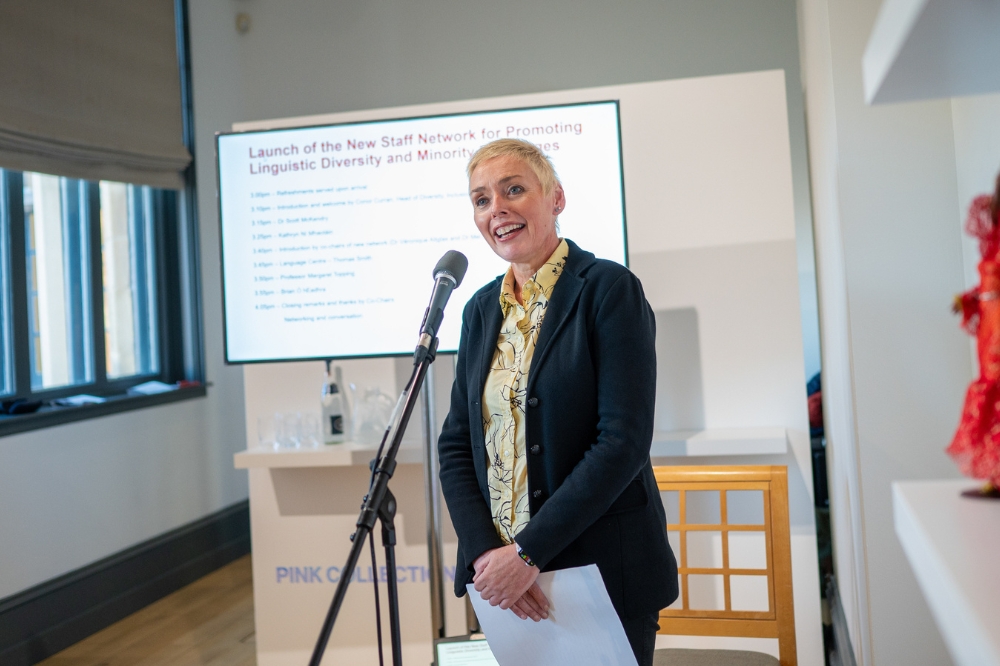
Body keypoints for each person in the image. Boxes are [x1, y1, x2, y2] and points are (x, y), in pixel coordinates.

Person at [437, 138, 678, 665]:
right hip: (503, 582)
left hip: (599, 572)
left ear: (557, 199)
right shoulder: (479, 310)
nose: (495, 209)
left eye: (513, 189)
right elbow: (457, 443)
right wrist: (488, 557)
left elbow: (622, 441)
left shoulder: (608, 289)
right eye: (481, 199)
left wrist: (528, 552)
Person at [949, 170, 1000, 495]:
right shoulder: (993, 247)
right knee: (991, 390)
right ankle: (995, 473)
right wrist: (967, 299)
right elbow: (986, 285)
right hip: (991, 330)